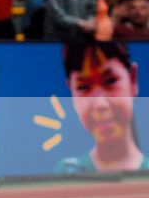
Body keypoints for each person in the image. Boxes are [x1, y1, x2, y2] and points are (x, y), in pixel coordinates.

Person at [58, 41, 144, 173]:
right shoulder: (64, 172)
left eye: (110, 81)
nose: (100, 104)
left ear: (132, 80)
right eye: (83, 87)